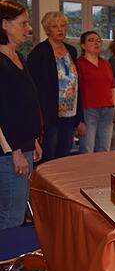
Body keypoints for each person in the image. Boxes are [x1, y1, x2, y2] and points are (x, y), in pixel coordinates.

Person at [0, 0, 44, 271]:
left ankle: (14, 266)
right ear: (4, 24)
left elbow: (27, 103)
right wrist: (14, 150)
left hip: (25, 145)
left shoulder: (18, 57)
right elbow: (3, 112)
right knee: (11, 213)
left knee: (16, 211)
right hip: (9, 151)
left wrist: (35, 140)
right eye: (23, 23)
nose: (29, 28)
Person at [27, 11, 82, 162]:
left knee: (64, 156)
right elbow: (33, 86)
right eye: (55, 26)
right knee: (48, 157)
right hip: (49, 114)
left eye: (63, 26)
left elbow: (76, 83)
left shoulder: (71, 50)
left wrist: (79, 117)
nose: (60, 30)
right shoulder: (39, 52)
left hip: (70, 113)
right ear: (47, 29)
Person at [75, 31, 115, 154]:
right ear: (83, 45)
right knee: (87, 148)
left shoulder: (105, 63)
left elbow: (112, 86)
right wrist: (78, 119)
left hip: (107, 110)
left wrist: (113, 104)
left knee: (104, 149)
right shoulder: (79, 64)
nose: (96, 43)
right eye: (91, 40)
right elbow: (75, 91)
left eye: (98, 40)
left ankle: (101, 173)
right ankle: (86, 173)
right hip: (89, 110)